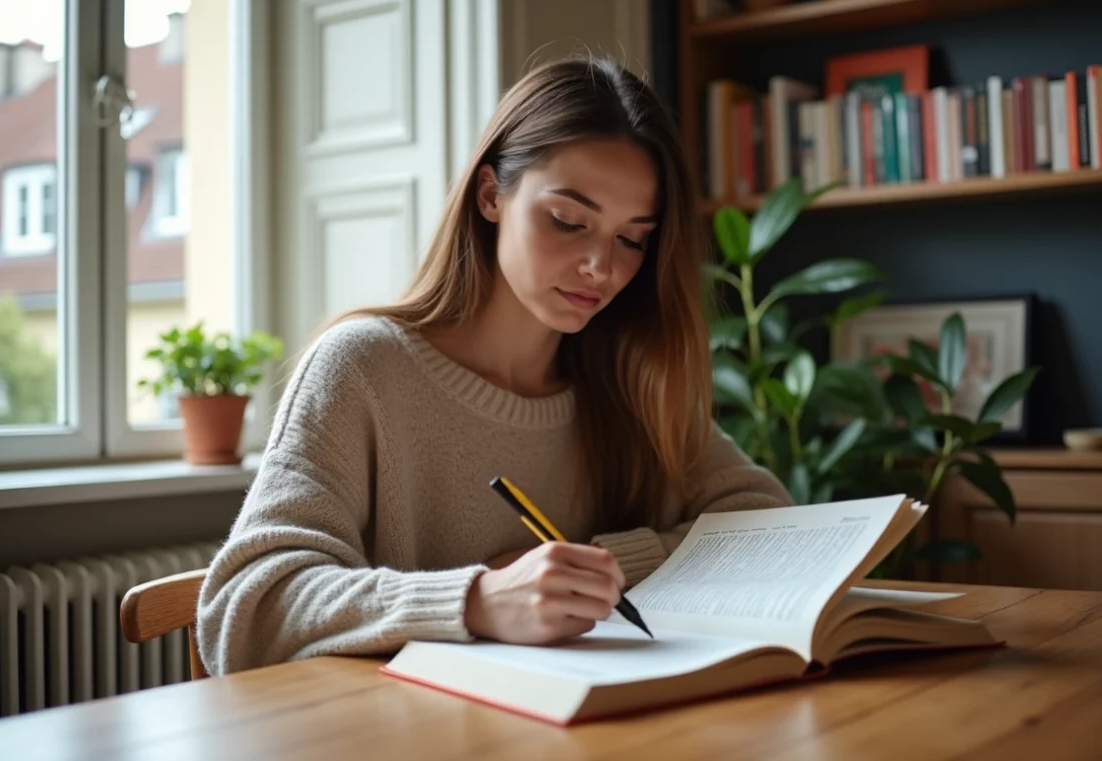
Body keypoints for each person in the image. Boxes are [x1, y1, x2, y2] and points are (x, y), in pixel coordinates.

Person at [196, 56, 791, 675]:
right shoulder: (363, 368)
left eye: (631, 238)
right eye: (568, 221)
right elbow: (246, 608)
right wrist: (477, 600)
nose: (601, 267)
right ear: (490, 196)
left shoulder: (624, 376)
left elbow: (771, 525)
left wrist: (596, 568)